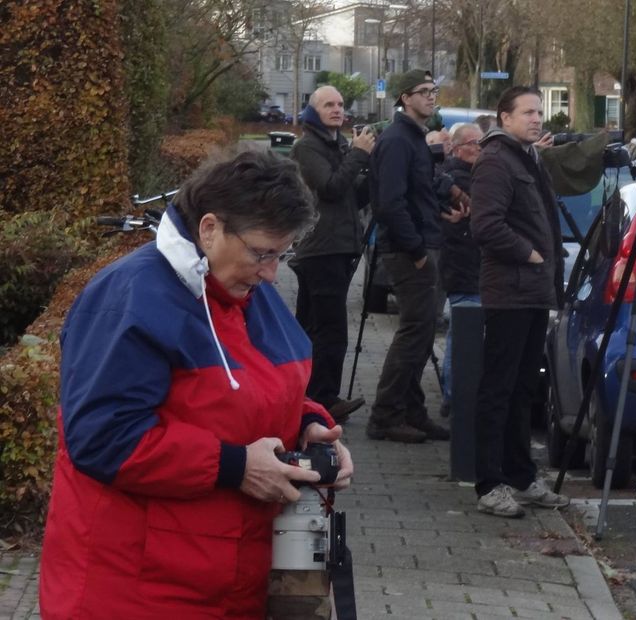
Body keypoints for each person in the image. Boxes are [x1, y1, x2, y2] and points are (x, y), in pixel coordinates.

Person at [39, 148, 355, 618]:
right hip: (136, 589)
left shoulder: (244, 291)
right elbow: (103, 438)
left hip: (228, 581)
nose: (273, 272)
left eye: (283, 254)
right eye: (263, 253)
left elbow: (260, 389)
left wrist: (309, 427)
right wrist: (235, 466)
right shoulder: (130, 299)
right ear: (209, 229)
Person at [469, 86, 570, 518]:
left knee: (522, 389)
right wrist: (530, 253)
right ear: (504, 118)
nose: (537, 118)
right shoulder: (495, 161)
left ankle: (522, 476)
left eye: (539, 111)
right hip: (509, 292)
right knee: (498, 388)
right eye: (528, 112)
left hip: (533, 291)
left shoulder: (526, 156)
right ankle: (489, 484)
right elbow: (485, 225)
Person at [366, 69, 451, 443]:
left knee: (421, 333)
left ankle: (413, 412)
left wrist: (446, 205)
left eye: (434, 91)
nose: (431, 97)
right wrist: (416, 250)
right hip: (409, 250)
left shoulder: (413, 138)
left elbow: (419, 190)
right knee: (414, 332)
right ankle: (385, 415)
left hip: (423, 242)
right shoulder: (398, 140)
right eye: (423, 92)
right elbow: (389, 203)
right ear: (404, 97)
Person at [289, 84, 376, 423]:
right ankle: (324, 398)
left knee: (312, 327)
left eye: (340, 104)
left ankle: (306, 397)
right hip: (322, 249)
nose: (337, 110)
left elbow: (354, 197)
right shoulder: (307, 147)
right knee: (330, 329)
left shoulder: (337, 145)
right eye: (328, 105)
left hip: (338, 246)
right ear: (314, 110)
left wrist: (370, 167)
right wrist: (357, 155)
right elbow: (330, 188)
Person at [438, 122, 483, 417]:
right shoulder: (456, 178)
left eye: (482, 144)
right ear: (455, 148)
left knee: (464, 332)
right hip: (464, 268)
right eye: (473, 144)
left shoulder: (467, 176)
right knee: (463, 334)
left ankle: (455, 393)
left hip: (466, 267)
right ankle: (454, 395)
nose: (479, 149)